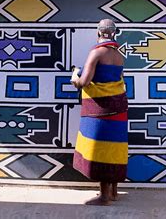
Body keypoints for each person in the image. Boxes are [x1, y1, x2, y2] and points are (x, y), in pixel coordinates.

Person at [71, 19, 128, 206]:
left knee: (101, 149)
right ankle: (113, 192)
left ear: (98, 33)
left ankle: (103, 197)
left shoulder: (96, 53)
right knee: (115, 147)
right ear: (114, 33)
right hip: (118, 107)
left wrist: (75, 78)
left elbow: (85, 81)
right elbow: (117, 80)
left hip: (100, 109)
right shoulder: (119, 55)